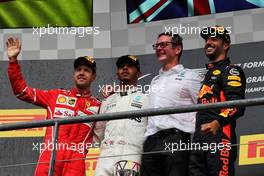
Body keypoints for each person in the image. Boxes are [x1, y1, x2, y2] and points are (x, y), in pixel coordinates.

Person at [6, 37, 101, 176]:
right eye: (78, 69)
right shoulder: (55, 96)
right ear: (73, 74)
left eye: (86, 70)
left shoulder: (99, 106)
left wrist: (111, 96)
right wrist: (13, 61)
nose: (81, 72)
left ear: (93, 77)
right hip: (50, 157)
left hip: (76, 161)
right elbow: (22, 92)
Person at [140, 32, 202, 176]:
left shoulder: (190, 76)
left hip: (176, 137)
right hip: (151, 140)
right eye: (156, 45)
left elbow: (203, 106)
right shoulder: (155, 80)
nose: (159, 48)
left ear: (177, 49)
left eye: (163, 45)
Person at [189, 25, 246, 176]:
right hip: (199, 140)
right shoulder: (208, 75)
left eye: (213, 39)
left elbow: (238, 105)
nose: (208, 42)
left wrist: (217, 123)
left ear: (225, 45)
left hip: (220, 137)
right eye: (206, 40)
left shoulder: (230, 70)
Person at [94, 55, 148, 176]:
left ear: (139, 73)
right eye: (121, 66)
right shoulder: (107, 101)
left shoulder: (146, 100)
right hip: (106, 154)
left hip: (131, 152)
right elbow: (99, 132)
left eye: (130, 66)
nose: (125, 68)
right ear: (117, 73)